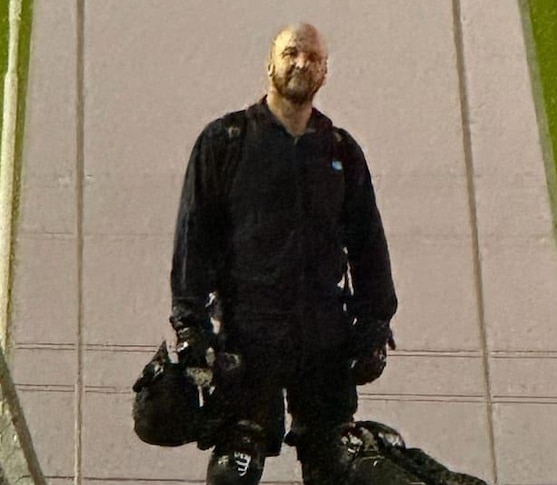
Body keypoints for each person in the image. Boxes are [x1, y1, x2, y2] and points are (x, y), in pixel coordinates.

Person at [169, 22, 397, 485]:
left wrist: (375, 323)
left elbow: (369, 243)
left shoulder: (341, 151)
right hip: (248, 337)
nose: (301, 64)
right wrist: (190, 324)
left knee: (336, 467)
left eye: (312, 58)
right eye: (292, 53)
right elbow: (195, 237)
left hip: (324, 339)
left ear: (325, 73)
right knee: (234, 469)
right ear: (270, 64)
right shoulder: (225, 141)